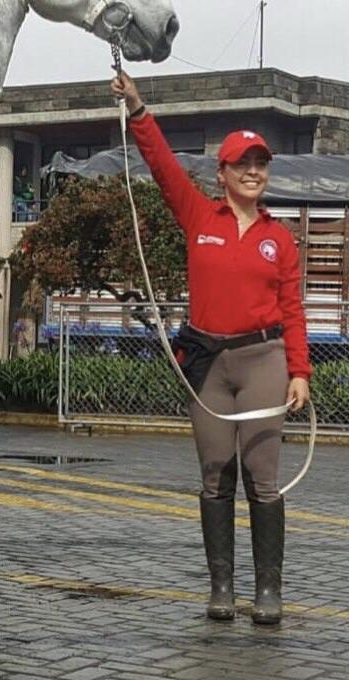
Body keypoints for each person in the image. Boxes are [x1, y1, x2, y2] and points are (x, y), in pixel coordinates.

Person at [115, 69, 308, 625]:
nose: (253, 171)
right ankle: (222, 588)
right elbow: (162, 166)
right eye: (243, 163)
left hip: (264, 361)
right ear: (222, 172)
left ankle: (268, 592)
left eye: (260, 164)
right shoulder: (199, 215)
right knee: (215, 474)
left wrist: (300, 372)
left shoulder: (279, 238)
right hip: (209, 364)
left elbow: (293, 311)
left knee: (263, 478)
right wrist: (138, 108)